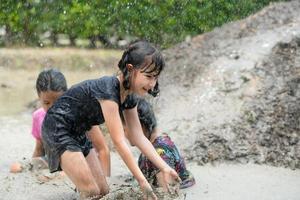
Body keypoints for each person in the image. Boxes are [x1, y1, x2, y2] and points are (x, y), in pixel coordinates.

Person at [41, 41, 180, 200]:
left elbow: (138, 137)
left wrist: (165, 168)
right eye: (148, 76)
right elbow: (119, 142)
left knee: (102, 191)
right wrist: (142, 180)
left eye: (155, 78)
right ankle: (80, 180)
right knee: (91, 191)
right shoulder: (109, 90)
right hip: (57, 127)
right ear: (130, 69)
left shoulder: (129, 97)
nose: (152, 84)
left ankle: (79, 180)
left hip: (79, 132)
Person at [32, 69, 110, 176]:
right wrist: (33, 171)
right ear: (39, 97)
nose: (53, 107)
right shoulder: (39, 117)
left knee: (63, 175)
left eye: (58, 100)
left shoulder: (80, 113)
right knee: (16, 167)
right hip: (57, 162)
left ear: (67, 94)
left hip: (81, 162)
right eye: (46, 103)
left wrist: (106, 178)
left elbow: (102, 149)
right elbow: (39, 149)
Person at [127, 99, 195, 189]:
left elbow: (166, 192)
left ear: (140, 125)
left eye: (125, 128)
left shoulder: (160, 150)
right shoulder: (153, 144)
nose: (125, 134)